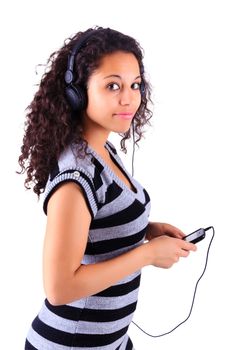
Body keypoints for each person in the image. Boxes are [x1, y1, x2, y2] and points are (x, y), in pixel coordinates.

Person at [18, 26, 196, 350]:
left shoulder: (100, 150)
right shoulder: (76, 176)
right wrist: (147, 254)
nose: (129, 98)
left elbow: (97, 228)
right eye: (112, 85)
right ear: (78, 91)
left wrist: (146, 230)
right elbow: (59, 287)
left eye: (135, 85)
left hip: (109, 341)